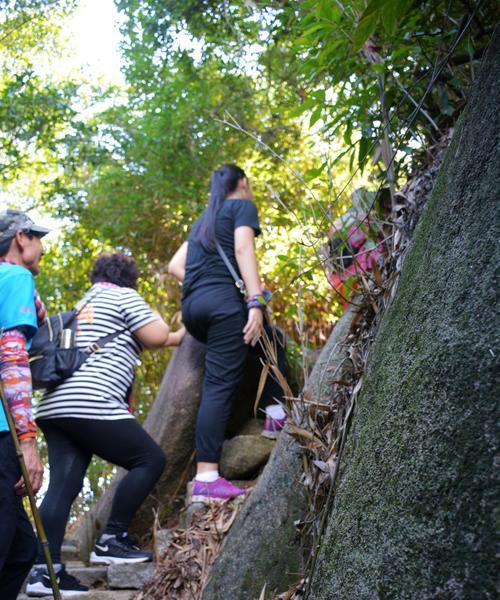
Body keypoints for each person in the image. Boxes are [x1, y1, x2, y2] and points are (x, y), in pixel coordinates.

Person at [26, 252, 185, 597]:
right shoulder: (123, 295)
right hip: (91, 402)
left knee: (62, 488)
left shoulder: (85, 304)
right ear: (129, 278)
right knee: (149, 459)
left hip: (56, 407)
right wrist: (178, 331)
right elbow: (157, 336)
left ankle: (44, 572)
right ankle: (112, 539)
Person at [168, 164, 286, 504]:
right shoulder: (241, 206)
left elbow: (176, 266)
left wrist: (206, 289)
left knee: (268, 339)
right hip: (223, 306)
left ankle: (275, 413)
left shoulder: (204, 221)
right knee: (219, 384)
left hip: (194, 309)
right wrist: (255, 301)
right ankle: (207, 478)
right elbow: (243, 250)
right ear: (243, 183)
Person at [0, 209, 48, 600]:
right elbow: (13, 358)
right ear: (20, 237)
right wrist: (28, 441)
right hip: (1, 429)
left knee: (20, 548)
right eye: (38, 237)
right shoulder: (14, 276)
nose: (42, 247)